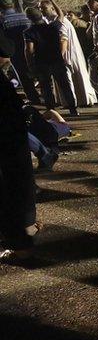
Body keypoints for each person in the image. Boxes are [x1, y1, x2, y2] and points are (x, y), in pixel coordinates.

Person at [0, 34, 39, 263]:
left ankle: (21, 245)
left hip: (7, 144)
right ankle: (21, 237)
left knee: (9, 190)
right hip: (11, 143)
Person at [39, 0, 97, 107]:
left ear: (51, 8)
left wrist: (60, 56)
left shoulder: (60, 21)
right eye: (40, 8)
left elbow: (63, 40)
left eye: (44, 8)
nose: (41, 10)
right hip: (64, 54)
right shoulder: (50, 20)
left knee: (68, 79)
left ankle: (73, 102)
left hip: (67, 55)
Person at [23, 7, 77, 116]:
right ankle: (73, 109)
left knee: (45, 86)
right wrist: (53, 1)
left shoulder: (29, 32)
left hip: (42, 62)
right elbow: (61, 16)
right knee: (64, 85)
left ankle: (51, 109)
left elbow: (29, 50)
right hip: (56, 60)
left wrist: (30, 64)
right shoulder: (53, 27)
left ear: (29, 18)